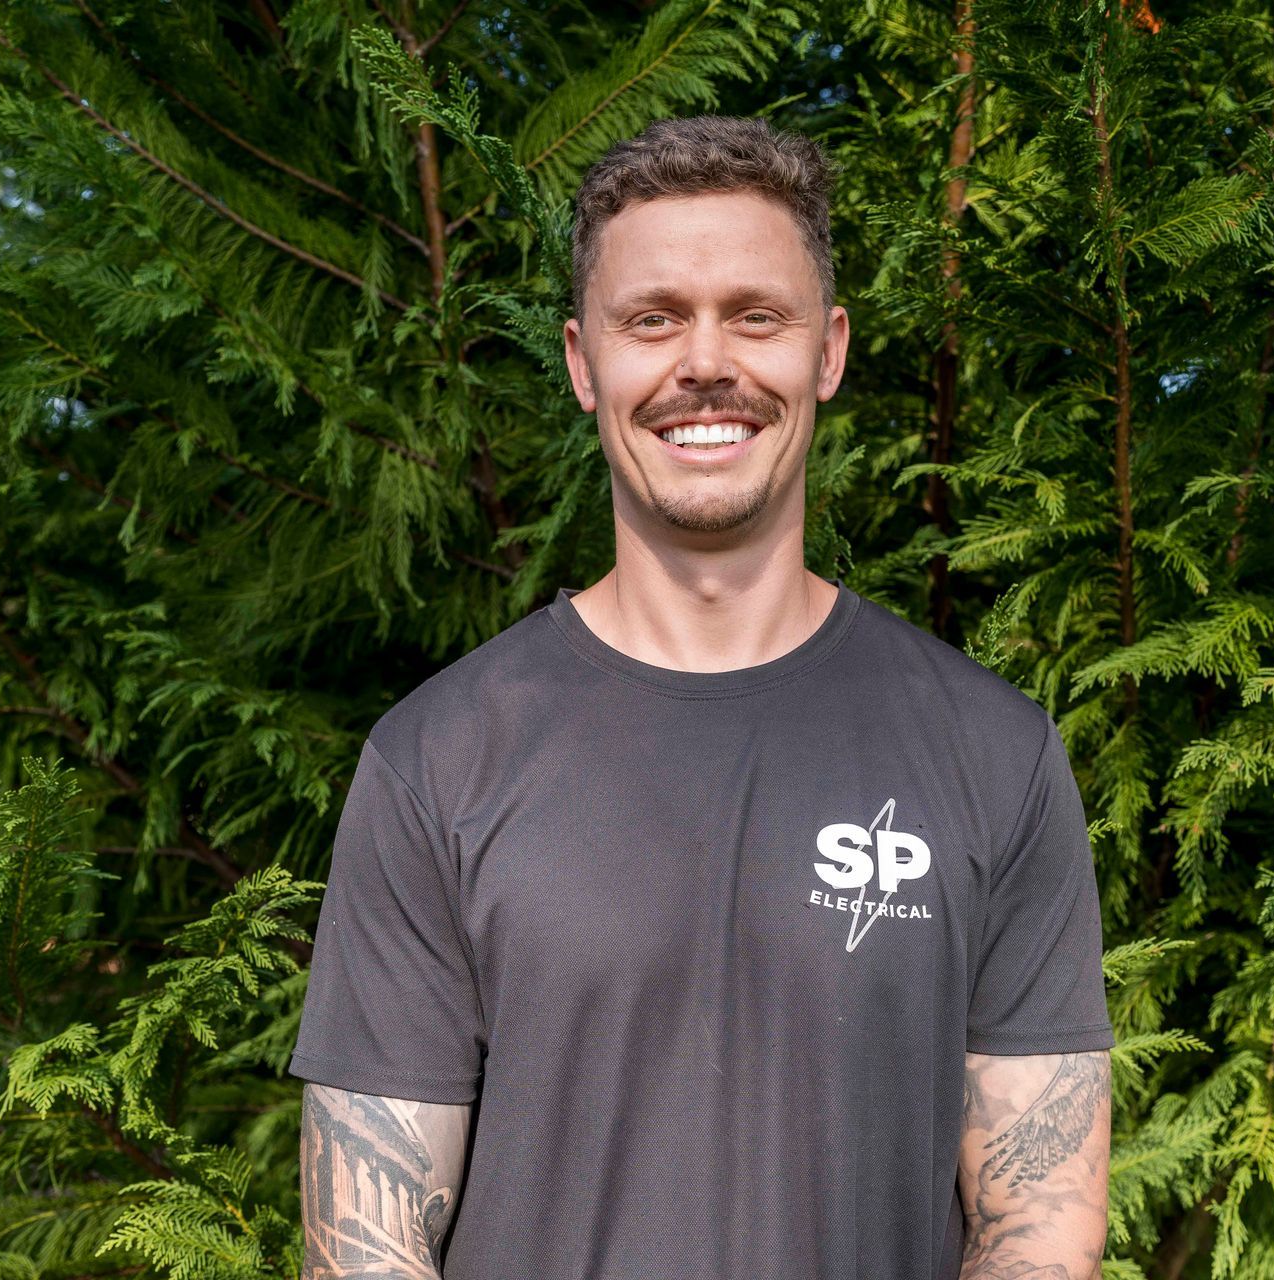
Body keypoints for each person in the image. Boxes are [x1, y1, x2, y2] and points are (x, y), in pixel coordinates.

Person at [289, 114, 1114, 1280]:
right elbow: (365, 1246)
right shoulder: (438, 761)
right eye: (653, 319)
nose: (705, 364)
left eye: (755, 315)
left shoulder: (994, 755)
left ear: (827, 351)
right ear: (584, 363)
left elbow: (1041, 1224)